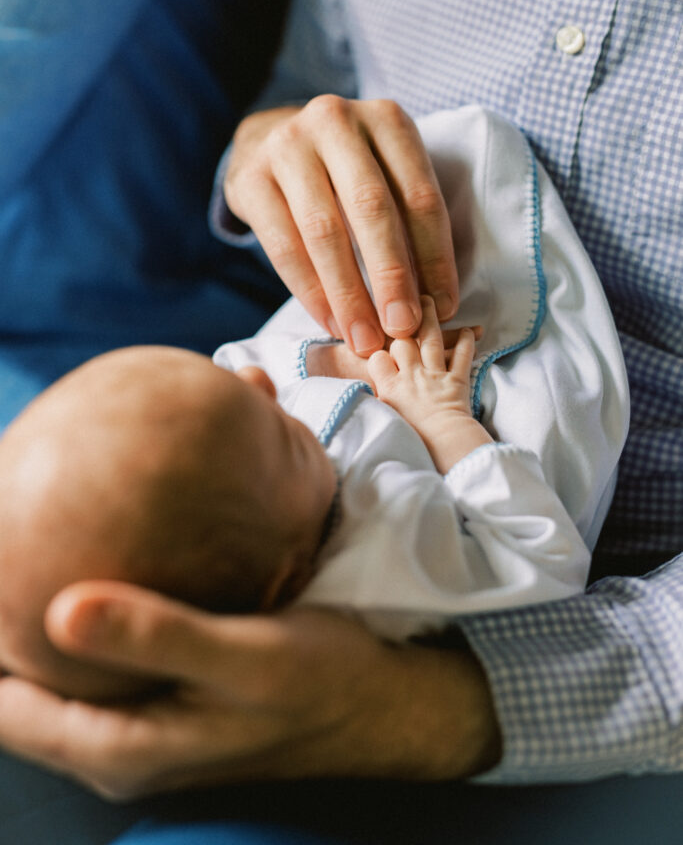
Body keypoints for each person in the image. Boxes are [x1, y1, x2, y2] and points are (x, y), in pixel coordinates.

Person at [0, 0, 681, 844]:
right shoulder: (377, 550)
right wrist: (268, 148)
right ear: (282, 579)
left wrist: (404, 708)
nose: (262, 389)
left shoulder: (269, 476)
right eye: (258, 421)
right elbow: (522, 546)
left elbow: (267, 378)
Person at [0, 105, 627, 707]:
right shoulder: (385, 569)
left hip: (378, 372)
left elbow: (253, 363)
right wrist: (443, 422)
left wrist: (337, 363)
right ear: (289, 581)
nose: (258, 385)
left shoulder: (241, 449)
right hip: (469, 415)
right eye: (284, 435)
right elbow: (538, 560)